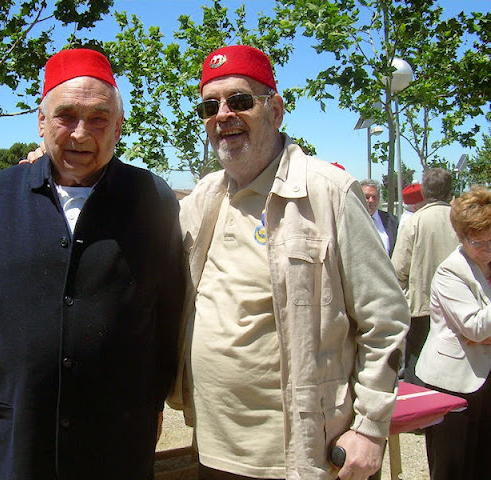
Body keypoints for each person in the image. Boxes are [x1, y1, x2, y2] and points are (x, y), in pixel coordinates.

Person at [0, 48, 185, 479]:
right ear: (40, 122)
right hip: (19, 433)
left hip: (118, 436)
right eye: (65, 115)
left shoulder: (153, 199)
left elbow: (170, 312)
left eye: (98, 118)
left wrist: (150, 397)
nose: (80, 133)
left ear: (119, 127)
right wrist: (2, 379)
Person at [167, 45, 410, 480]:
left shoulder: (329, 192)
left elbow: (386, 318)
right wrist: (53, 172)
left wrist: (371, 429)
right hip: (213, 447)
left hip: (303, 454)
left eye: (240, 101)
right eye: (210, 105)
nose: (223, 114)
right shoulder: (203, 197)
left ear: (276, 110)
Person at [414, 186, 491, 480]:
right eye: (478, 242)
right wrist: (478, 334)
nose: (487, 249)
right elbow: (475, 327)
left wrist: (481, 335)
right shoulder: (451, 272)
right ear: (460, 236)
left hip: (486, 380)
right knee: (452, 468)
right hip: (453, 383)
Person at [391, 168, 459, 385]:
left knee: (417, 362)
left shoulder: (414, 222)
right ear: (450, 191)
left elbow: (398, 267)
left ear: (425, 192)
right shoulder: (461, 220)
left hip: (422, 307)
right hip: (459, 308)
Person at [360, 179, 398, 256]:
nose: (371, 201)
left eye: (374, 197)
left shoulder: (391, 220)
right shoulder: (350, 221)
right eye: (366, 197)